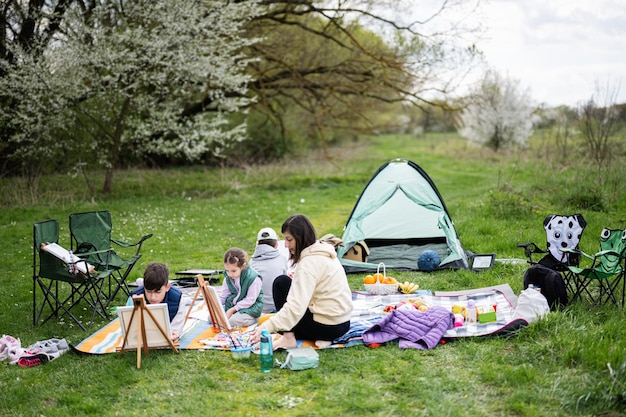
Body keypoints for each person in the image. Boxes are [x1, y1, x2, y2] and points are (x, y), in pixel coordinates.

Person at [250, 214, 352, 350]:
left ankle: (288, 339)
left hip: (326, 327)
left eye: (289, 240)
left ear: (300, 238)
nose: (286, 245)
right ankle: (323, 338)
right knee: (287, 287)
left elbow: (295, 308)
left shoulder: (308, 264)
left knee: (281, 283)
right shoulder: (324, 252)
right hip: (343, 324)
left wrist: (266, 327)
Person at [129, 262, 187, 341]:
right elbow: (129, 329)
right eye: (149, 291)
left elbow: (176, 329)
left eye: (158, 292)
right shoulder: (135, 297)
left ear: (167, 287)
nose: (153, 297)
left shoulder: (177, 299)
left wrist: (174, 334)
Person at [220, 247, 264, 327]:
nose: (230, 274)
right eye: (227, 270)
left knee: (231, 322)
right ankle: (234, 316)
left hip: (251, 308)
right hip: (234, 307)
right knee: (213, 317)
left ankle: (255, 319)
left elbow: (250, 300)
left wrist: (232, 310)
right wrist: (215, 305)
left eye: (233, 271)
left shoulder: (254, 278)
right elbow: (224, 296)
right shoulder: (228, 278)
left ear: (243, 266)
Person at [250, 227, 288, 313]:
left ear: (257, 244)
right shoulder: (282, 259)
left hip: (258, 310)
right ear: (276, 245)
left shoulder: (252, 263)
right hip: (278, 308)